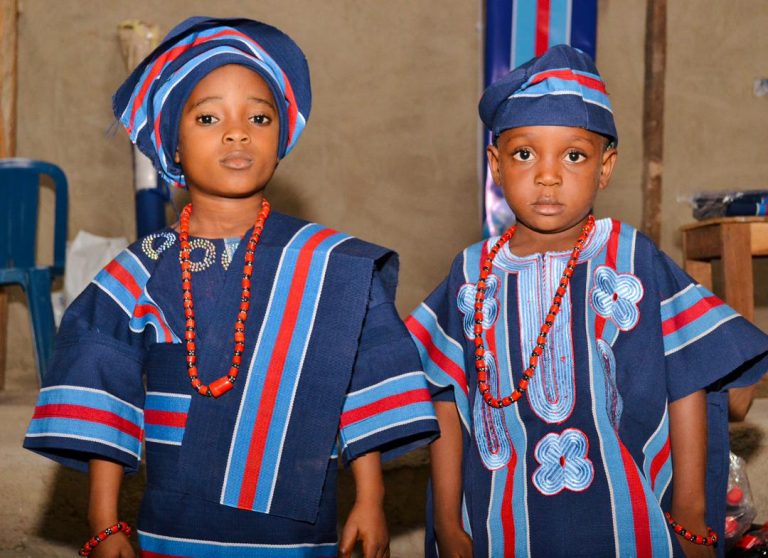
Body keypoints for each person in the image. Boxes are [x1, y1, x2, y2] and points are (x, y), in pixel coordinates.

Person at [24, 16, 438, 558]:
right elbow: (107, 391)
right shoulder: (144, 267)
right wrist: (105, 522)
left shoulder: (331, 265)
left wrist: (370, 499)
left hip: (297, 533)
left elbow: (363, 382)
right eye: (208, 117)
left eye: (259, 117)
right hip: (173, 530)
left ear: (280, 141)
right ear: (173, 145)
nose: (237, 132)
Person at [406, 44, 768, 558]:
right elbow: (445, 396)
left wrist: (690, 513)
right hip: (497, 527)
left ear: (605, 167)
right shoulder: (470, 274)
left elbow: (688, 373)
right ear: (495, 165)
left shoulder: (630, 258)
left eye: (573, 155)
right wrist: (448, 524)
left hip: (627, 523)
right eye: (524, 154)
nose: (548, 175)